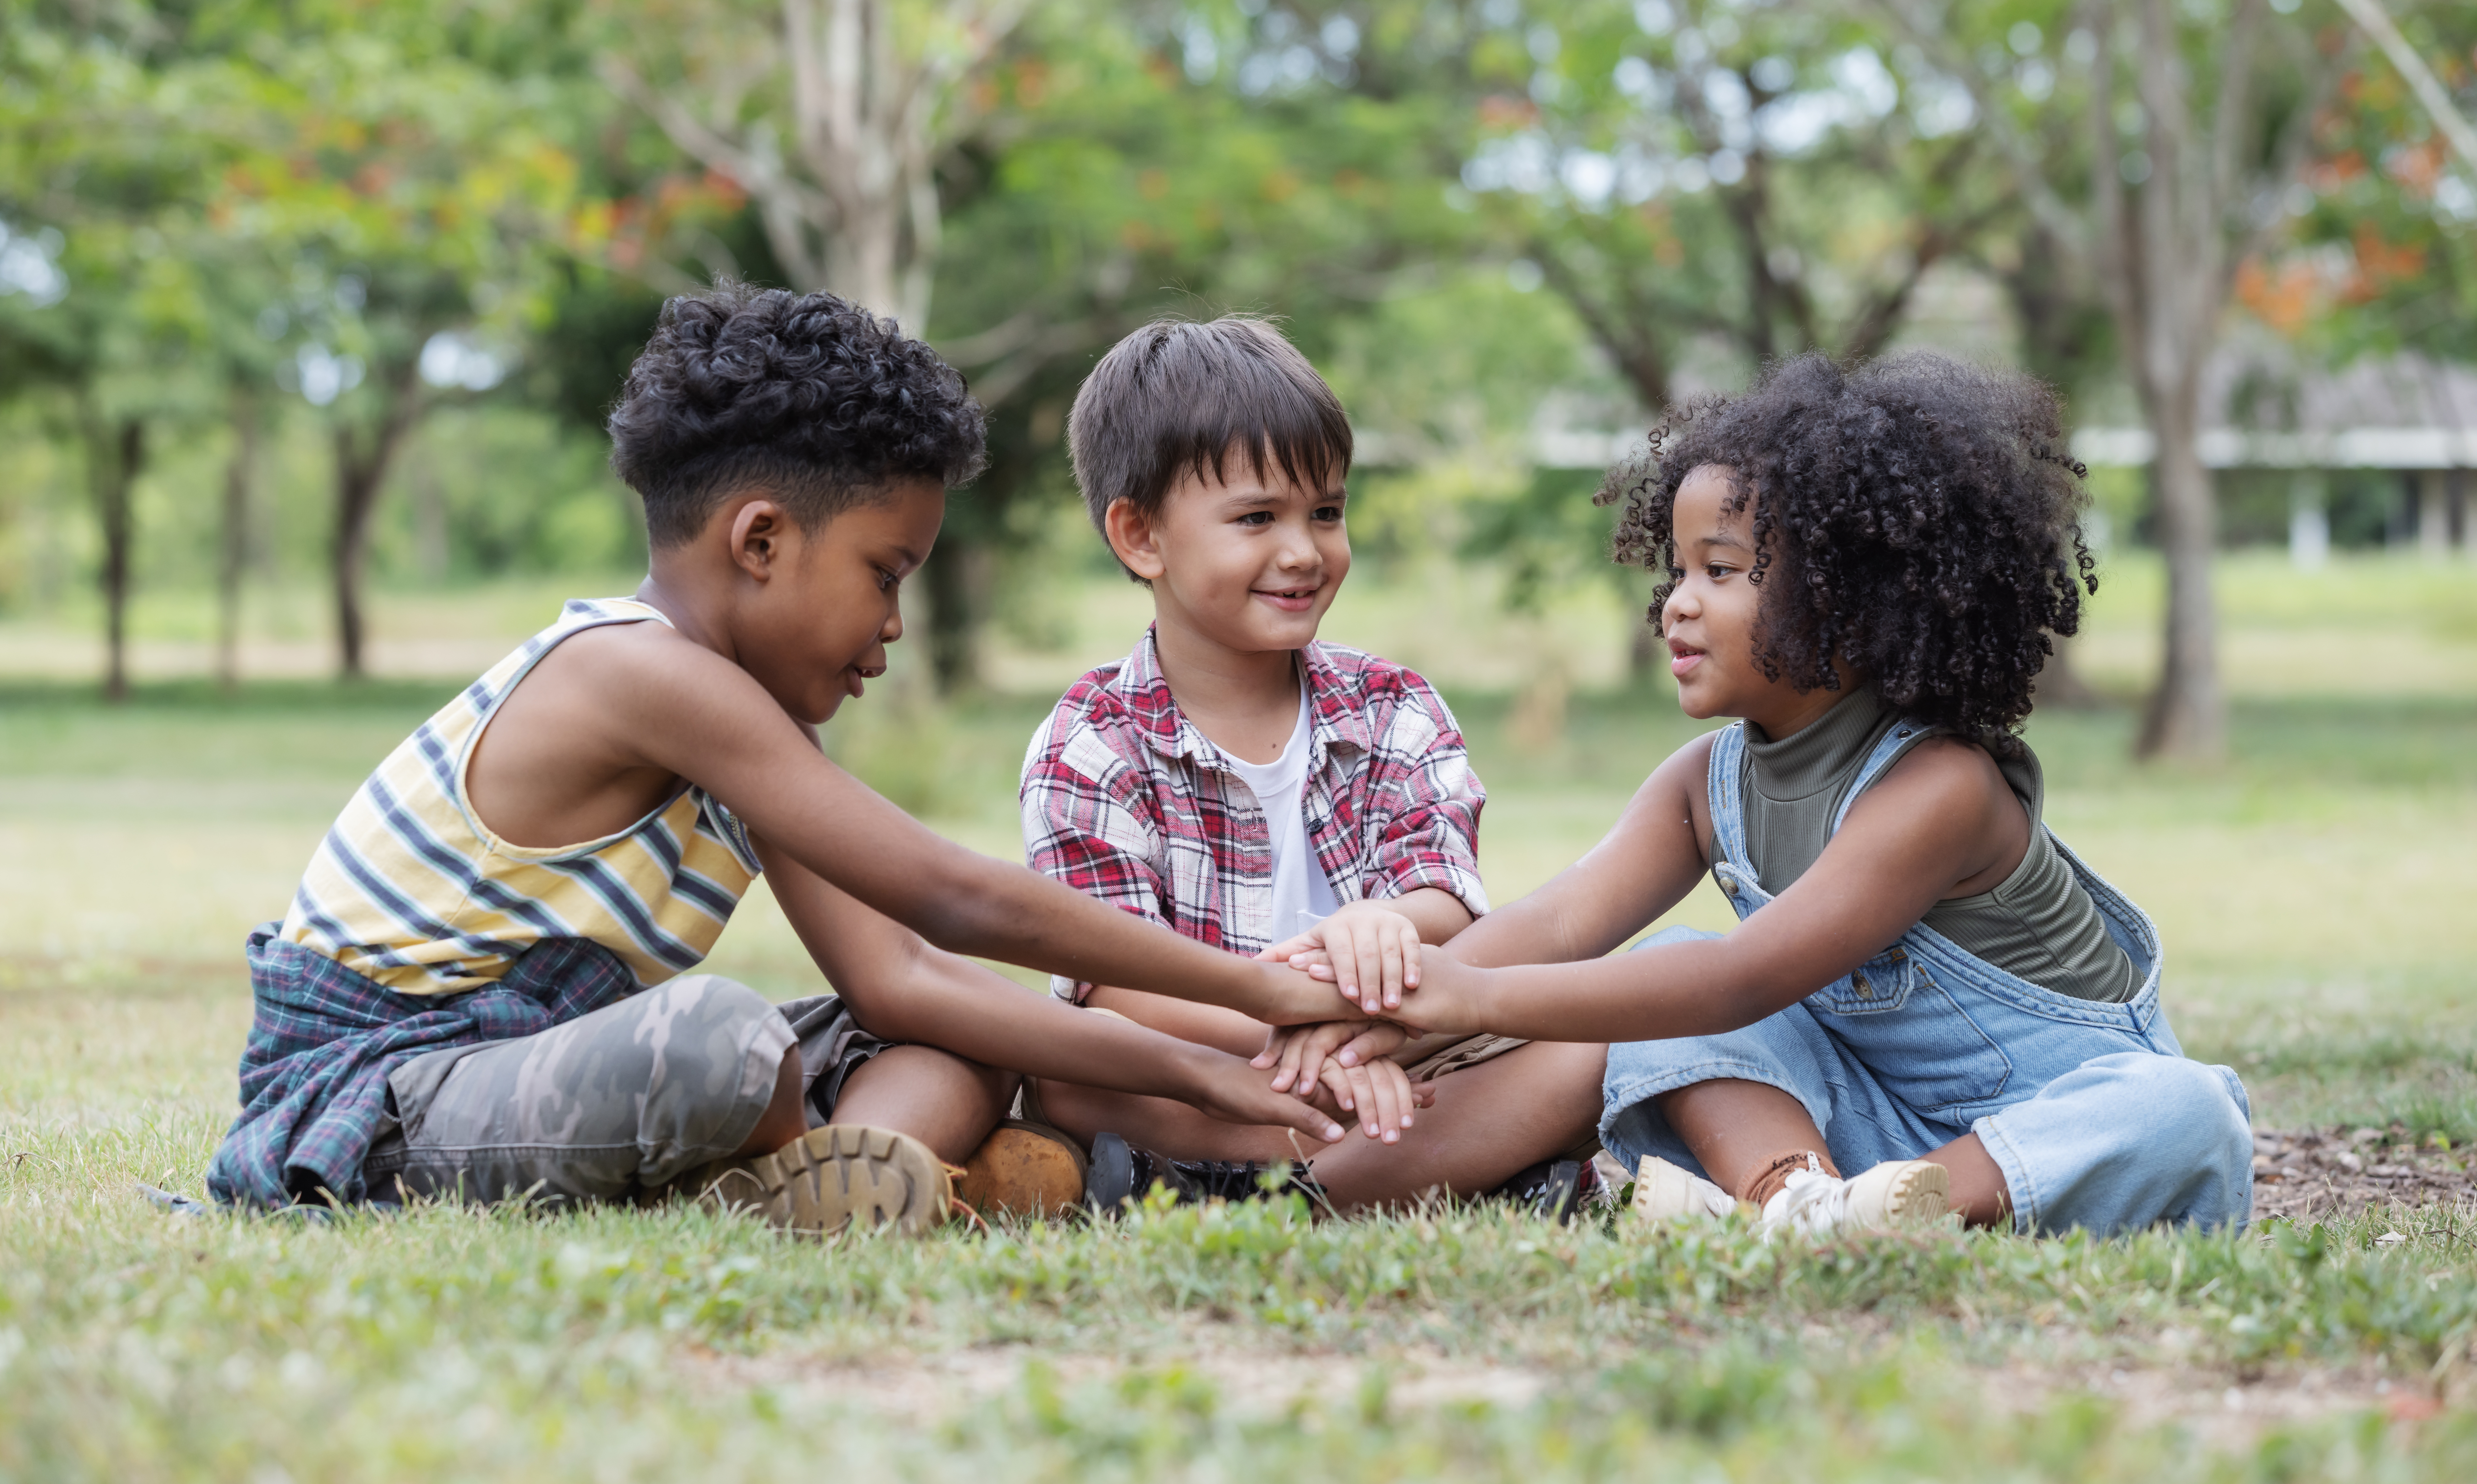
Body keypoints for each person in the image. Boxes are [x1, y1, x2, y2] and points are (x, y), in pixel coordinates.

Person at [207, 284, 1360, 1234]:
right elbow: (947, 894)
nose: (896, 625)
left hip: (549, 1072)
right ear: (761, 541)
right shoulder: (638, 673)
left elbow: (901, 973)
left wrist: (1187, 1066)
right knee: (718, 1041)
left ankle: (831, 1192)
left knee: (953, 1032)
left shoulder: (751, 720)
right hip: (387, 1093)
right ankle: (818, 1185)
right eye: (885, 574)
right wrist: (1253, 995)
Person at [1261, 352, 2254, 1238]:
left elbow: (1749, 979)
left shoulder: (1939, 788)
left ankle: (1863, 1212)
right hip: (1873, 1136)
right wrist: (1387, 1015)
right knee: (1671, 968)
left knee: (2186, 1108)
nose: (1679, 601)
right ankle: (1797, 1203)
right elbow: (1561, 920)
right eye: (1678, 569)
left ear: (1859, 600)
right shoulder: (1705, 783)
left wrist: (1468, 996)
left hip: (2061, 1131)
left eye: (1723, 571)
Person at [1018, 316, 1610, 1216]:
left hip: (1396, 1048)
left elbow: (1444, 892)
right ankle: (1453, 1171)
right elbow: (1120, 983)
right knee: (1063, 1075)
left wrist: (1381, 927)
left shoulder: (1393, 705)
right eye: (1257, 517)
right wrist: (1299, 1042)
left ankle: (1269, 1198)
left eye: (1326, 512)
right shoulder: (1093, 739)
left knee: (1591, 1039)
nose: (1304, 551)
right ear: (1141, 538)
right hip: (1205, 1069)